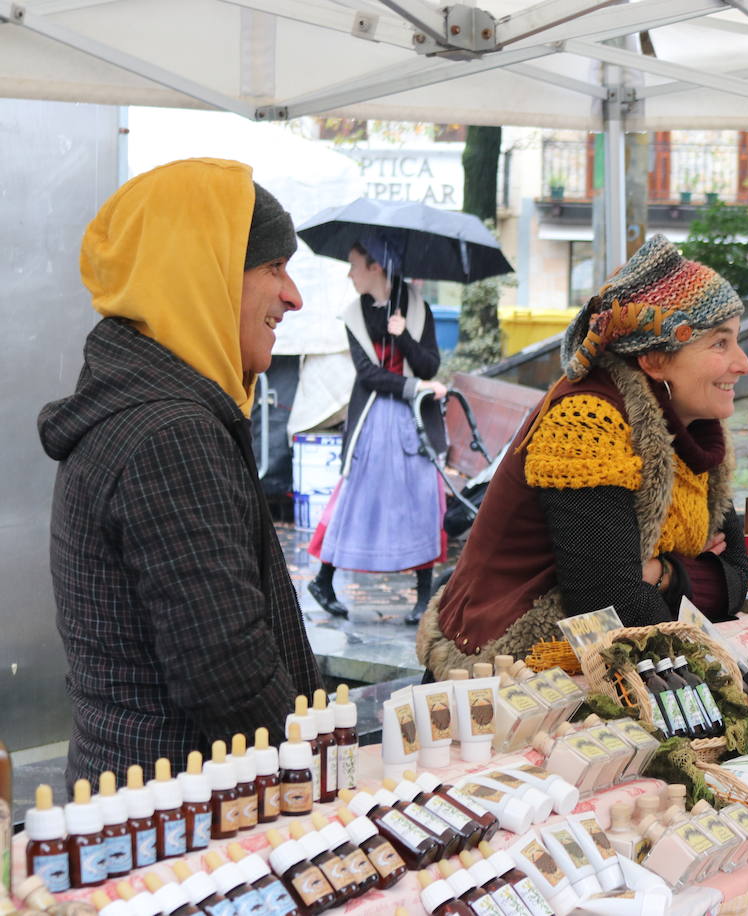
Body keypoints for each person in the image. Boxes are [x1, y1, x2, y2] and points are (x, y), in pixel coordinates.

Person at [38, 158, 323, 785]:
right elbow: (229, 671)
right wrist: (322, 778)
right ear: (204, 275)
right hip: (185, 818)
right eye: (274, 267)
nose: (293, 296)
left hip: (139, 794)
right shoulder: (172, 437)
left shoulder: (143, 407)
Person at [416, 235, 748, 674]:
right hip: (503, 671)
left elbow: (735, 580)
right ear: (653, 360)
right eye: (720, 343)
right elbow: (612, 609)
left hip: (593, 668)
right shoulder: (585, 422)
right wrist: (672, 574)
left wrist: (661, 573)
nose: (743, 363)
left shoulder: (696, 430)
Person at [306, 235, 449, 626]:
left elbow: (429, 366)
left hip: (414, 422)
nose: (350, 273)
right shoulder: (354, 315)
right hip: (372, 419)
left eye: (355, 265)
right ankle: (323, 580)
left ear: (376, 267)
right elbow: (367, 375)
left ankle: (424, 596)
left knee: (421, 499)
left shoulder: (418, 308)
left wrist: (402, 334)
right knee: (357, 498)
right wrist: (411, 387)